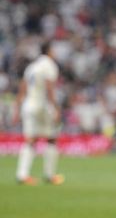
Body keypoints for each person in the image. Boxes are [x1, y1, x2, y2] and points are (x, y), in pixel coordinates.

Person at [14, 41, 64, 185]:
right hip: (42, 105)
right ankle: (49, 175)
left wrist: (17, 109)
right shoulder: (49, 65)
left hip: (28, 105)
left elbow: (22, 88)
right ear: (48, 51)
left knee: (30, 140)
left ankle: (22, 175)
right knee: (52, 138)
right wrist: (56, 108)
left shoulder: (32, 67)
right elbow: (49, 87)